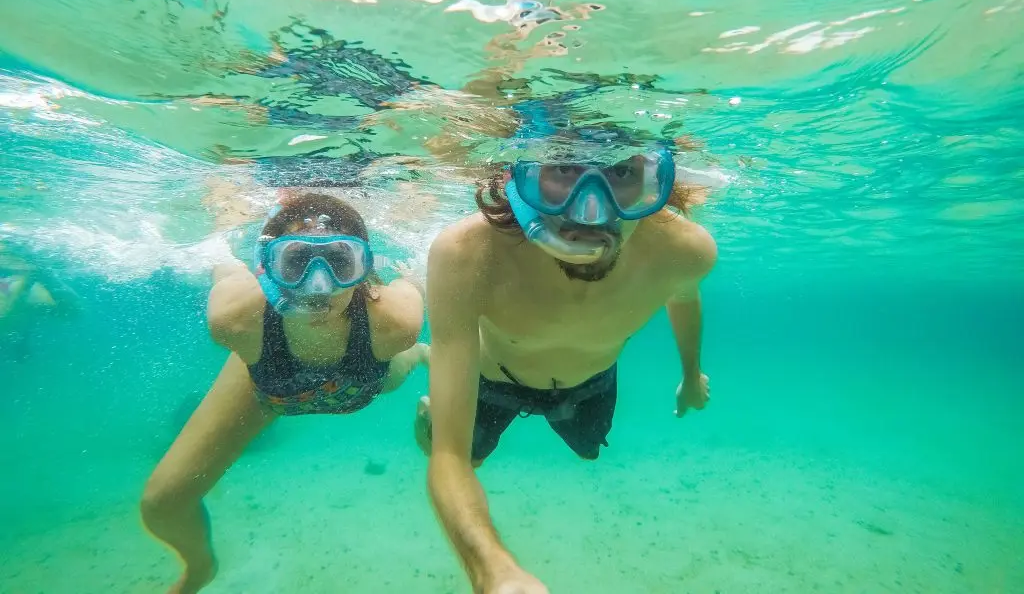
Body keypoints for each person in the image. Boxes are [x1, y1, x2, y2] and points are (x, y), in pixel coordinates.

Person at [416, 131, 716, 593]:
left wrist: (690, 375)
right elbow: (448, 458)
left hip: (590, 384)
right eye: (563, 170)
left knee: (588, 450)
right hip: (492, 383)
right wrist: (495, 571)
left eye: (620, 172)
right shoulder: (467, 254)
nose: (591, 212)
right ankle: (431, 410)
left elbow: (683, 297)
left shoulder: (684, 251)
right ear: (522, 178)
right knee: (463, 457)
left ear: (653, 184)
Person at [141, 192, 429, 594]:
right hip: (263, 387)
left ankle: (424, 356)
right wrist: (225, 217)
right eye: (295, 262)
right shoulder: (237, 318)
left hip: (365, 369)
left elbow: (418, 277)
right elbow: (221, 262)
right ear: (267, 268)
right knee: (163, 504)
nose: (319, 285)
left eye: (340, 263)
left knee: (403, 359)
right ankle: (200, 568)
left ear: (363, 268)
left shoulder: (394, 322)